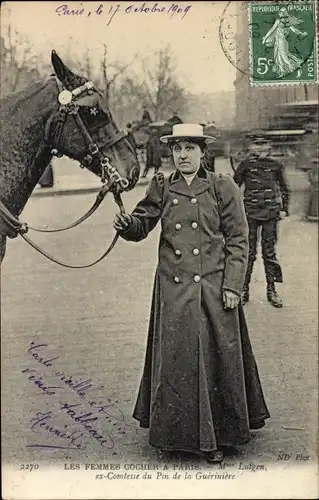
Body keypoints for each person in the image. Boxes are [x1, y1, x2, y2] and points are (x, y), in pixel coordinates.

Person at [114, 124, 270, 463]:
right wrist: (127, 224)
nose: (183, 155)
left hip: (214, 289)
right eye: (177, 149)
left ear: (203, 153)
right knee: (178, 361)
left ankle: (220, 435)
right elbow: (142, 225)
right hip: (174, 291)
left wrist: (232, 285)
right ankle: (177, 436)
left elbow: (238, 240)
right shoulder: (163, 187)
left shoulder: (221, 186)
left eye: (190, 149)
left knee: (217, 359)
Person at [233, 136, 290, 308]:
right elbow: (234, 188)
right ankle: (243, 290)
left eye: (263, 145)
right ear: (251, 147)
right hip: (249, 213)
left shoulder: (276, 165)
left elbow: (284, 188)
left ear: (269, 147)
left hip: (270, 214)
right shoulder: (245, 165)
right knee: (248, 253)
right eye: (256, 145)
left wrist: (283, 209)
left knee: (269, 253)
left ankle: (271, 290)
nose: (260, 149)